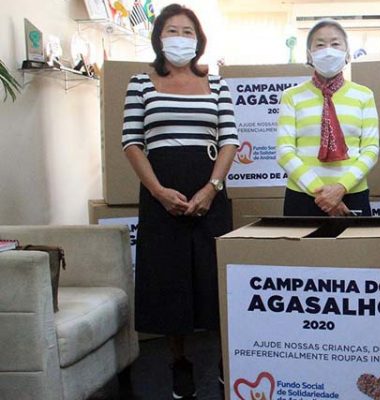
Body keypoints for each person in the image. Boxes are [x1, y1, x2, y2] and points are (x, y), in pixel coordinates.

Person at [121, 4, 238, 399]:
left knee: (214, 278)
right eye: (173, 30)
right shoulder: (141, 82)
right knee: (169, 280)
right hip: (161, 192)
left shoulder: (216, 84)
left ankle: (227, 361)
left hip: (209, 189)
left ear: (199, 39)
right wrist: (157, 192)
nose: (181, 38)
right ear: (158, 37)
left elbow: (229, 140)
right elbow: (132, 143)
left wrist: (212, 187)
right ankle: (179, 363)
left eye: (188, 32)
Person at [276, 19, 379, 217]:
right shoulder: (292, 96)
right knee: (304, 249)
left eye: (335, 43)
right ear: (309, 54)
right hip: (303, 195)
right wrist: (322, 193)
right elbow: (284, 151)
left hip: (351, 194)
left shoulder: (364, 95)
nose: (328, 50)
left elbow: (371, 150)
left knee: (352, 249)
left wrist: (341, 188)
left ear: (347, 53)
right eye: (320, 44)